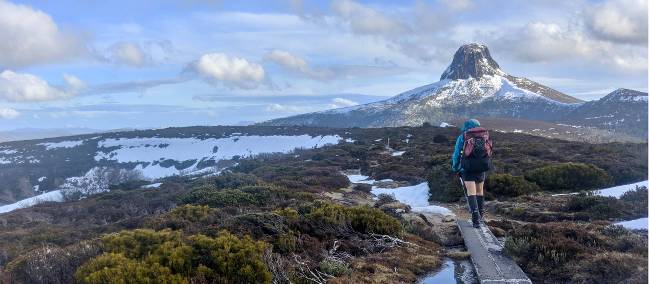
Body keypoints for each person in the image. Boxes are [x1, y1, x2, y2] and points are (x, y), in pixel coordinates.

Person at [451, 119, 492, 228]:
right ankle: (481, 217)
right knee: (479, 192)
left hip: (467, 169)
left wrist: (455, 167)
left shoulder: (464, 136)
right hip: (481, 168)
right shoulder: (485, 135)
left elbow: (456, 154)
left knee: (471, 192)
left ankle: (475, 221)